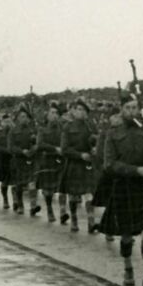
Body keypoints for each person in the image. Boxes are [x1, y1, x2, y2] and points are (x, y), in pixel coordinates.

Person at [100, 96, 143, 286]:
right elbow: (109, 164)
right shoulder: (112, 133)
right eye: (128, 107)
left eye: (135, 107)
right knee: (126, 234)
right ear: (121, 109)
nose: (132, 111)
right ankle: (128, 269)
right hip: (123, 186)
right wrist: (136, 170)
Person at [58, 99, 98, 233]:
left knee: (89, 193)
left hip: (87, 165)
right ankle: (74, 220)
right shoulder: (67, 127)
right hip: (74, 164)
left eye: (84, 110)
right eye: (78, 109)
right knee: (73, 195)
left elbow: (96, 141)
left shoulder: (90, 126)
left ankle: (91, 221)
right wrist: (80, 155)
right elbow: (64, 149)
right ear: (74, 112)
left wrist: (95, 149)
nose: (81, 112)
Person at [34, 102, 65, 223]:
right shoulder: (42, 129)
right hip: (47, 160)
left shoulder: (62, 129)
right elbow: (40, 144)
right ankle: (49, 209)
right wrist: (55, 149)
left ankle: (63, 212)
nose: (55, 115)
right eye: (52, 113)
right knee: (48, 190)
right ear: (47, 115)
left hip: (61, 160)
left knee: (62, 187)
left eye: (56, 113)